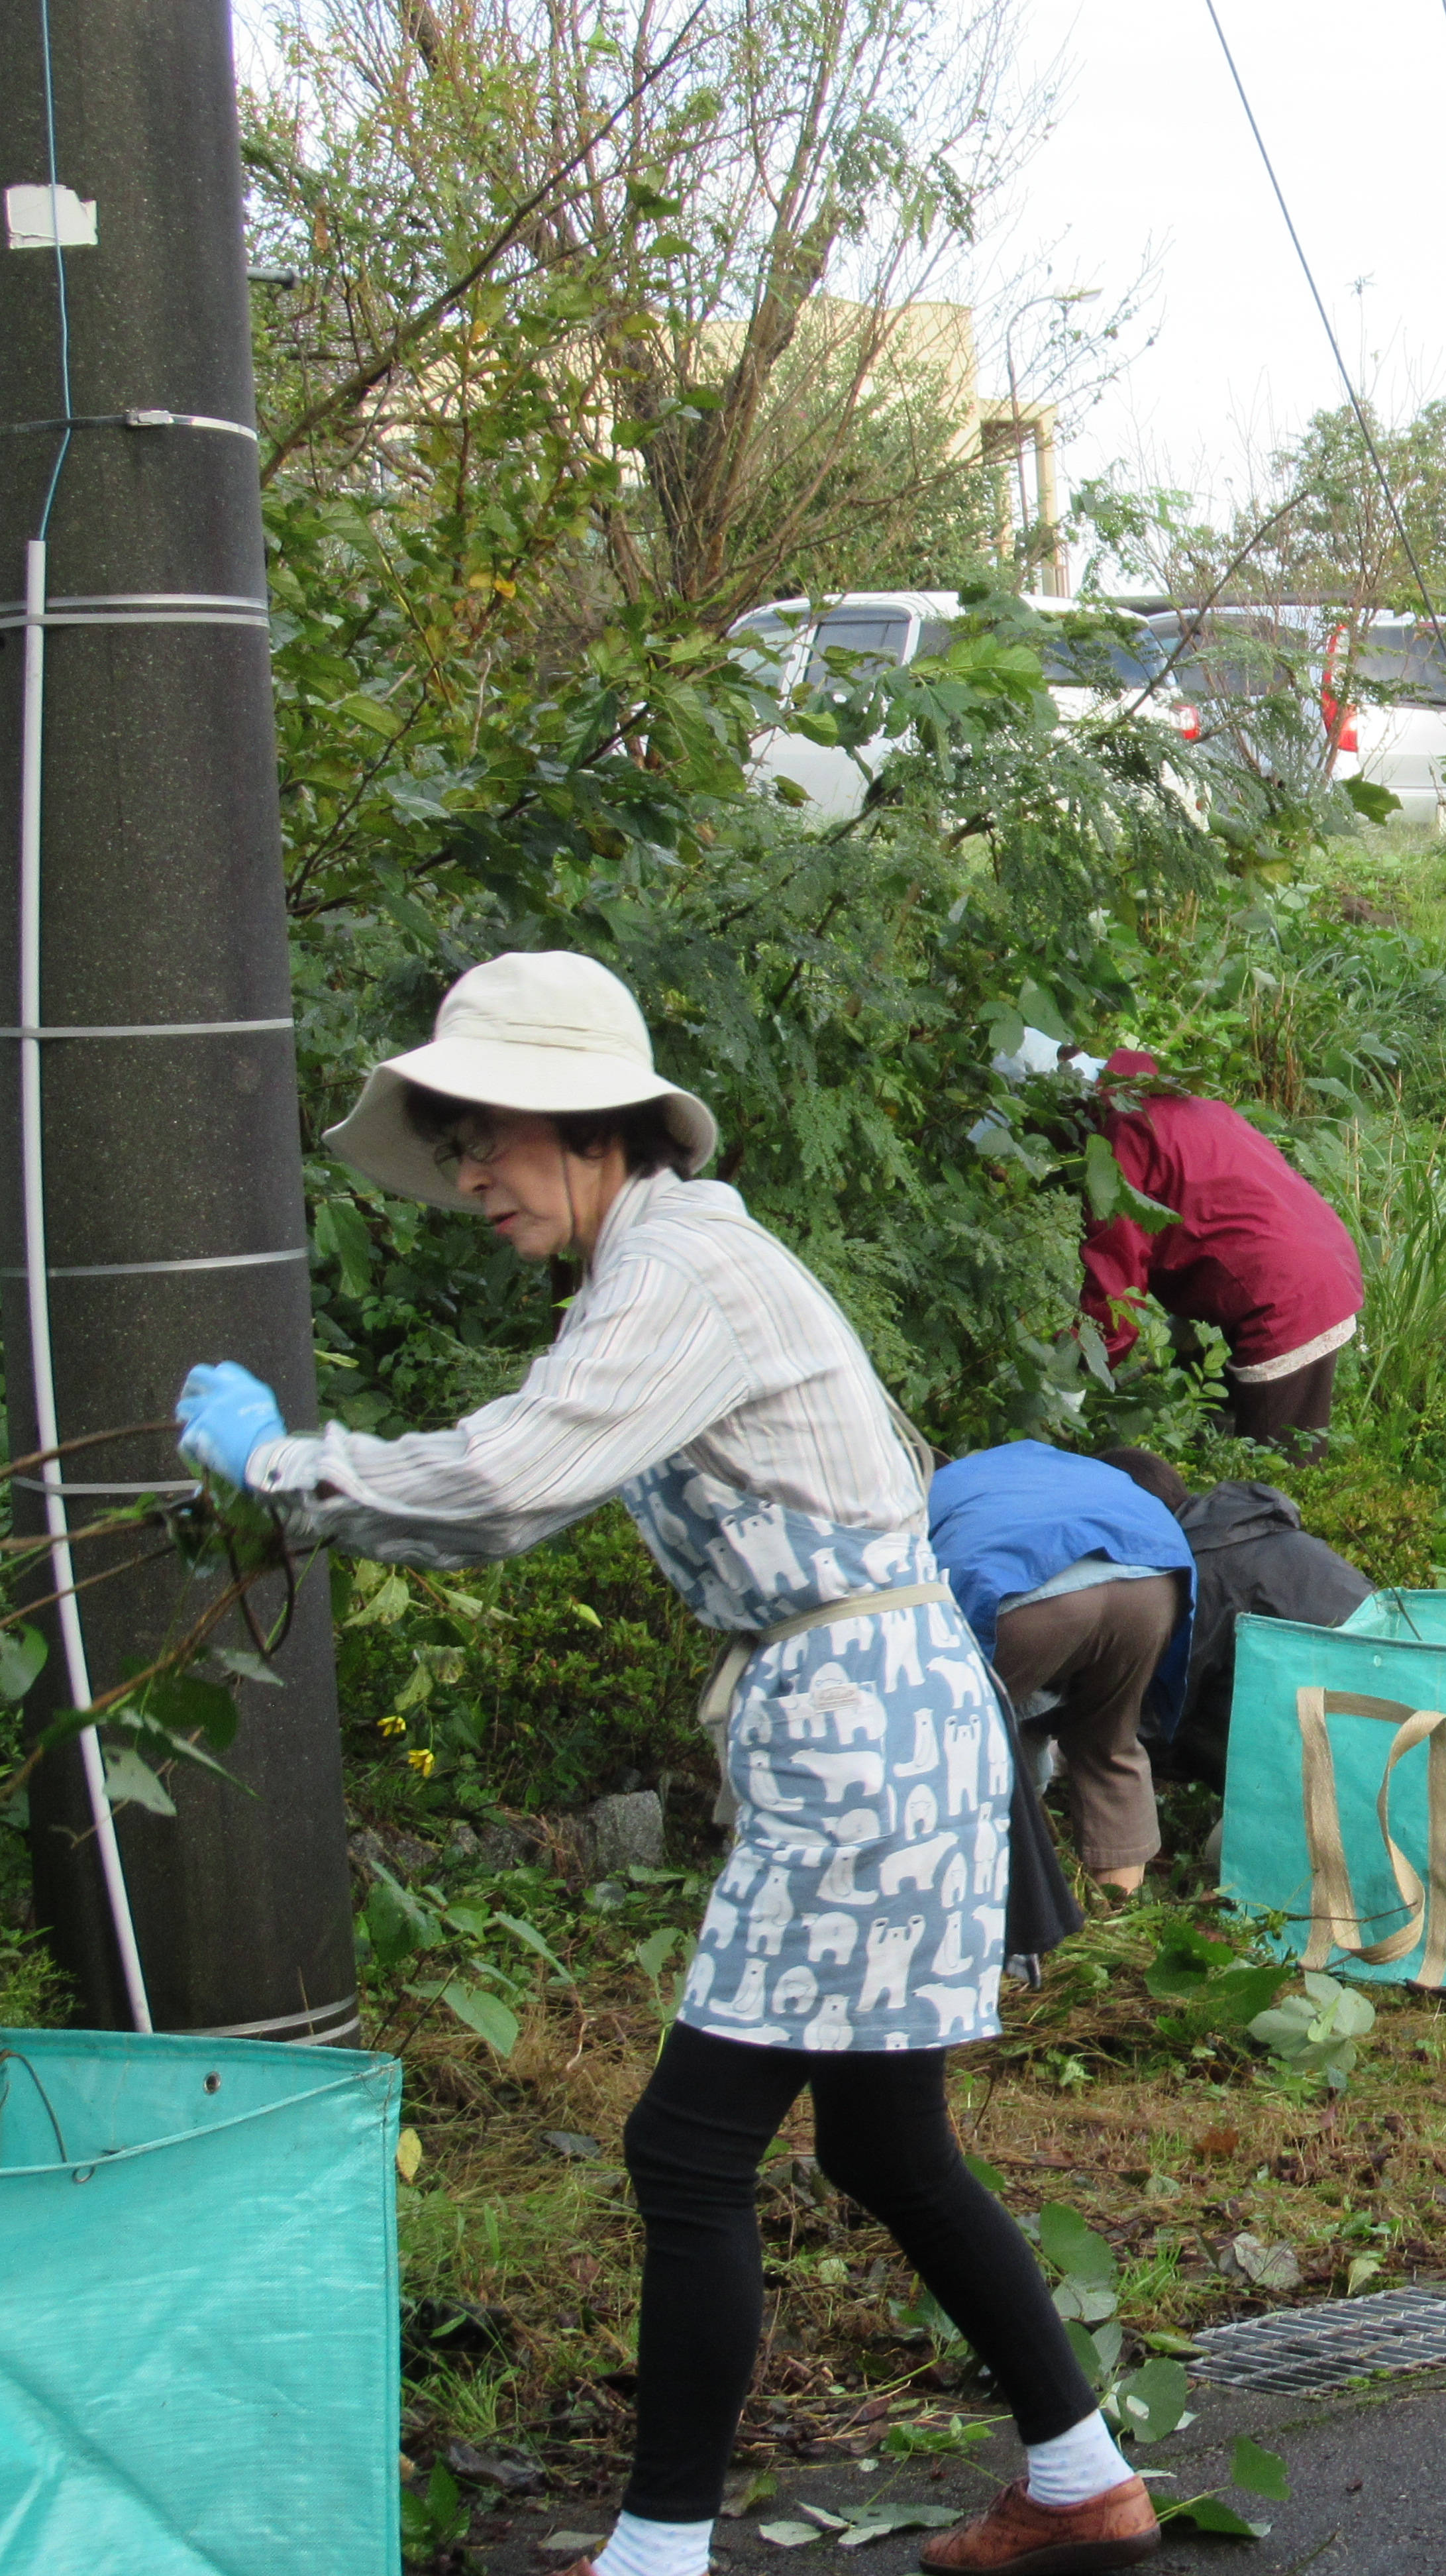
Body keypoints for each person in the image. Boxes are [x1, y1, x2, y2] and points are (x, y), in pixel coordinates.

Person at [170, 953, 1155, 2576]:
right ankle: (1081, 2475)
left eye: (487, 1136)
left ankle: (655, 2552)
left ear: (592, 1126)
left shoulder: (679, 1271)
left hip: (863, 1727)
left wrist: (284, 1464)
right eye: (456, 1144)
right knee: (884, 2145)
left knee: (686, 2145)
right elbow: (528, 1472)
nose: (471, 1177)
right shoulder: (662, 1257)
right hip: (871, 1710)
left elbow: (507, 1481)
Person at [928, 1440, 1196, 1892]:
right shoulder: (1038, 1466)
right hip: (1154, 1579)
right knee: (1109, 1746)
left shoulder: (925, 1496)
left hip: (1028, 1593)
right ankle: (1121, 1915)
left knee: (950, 1741)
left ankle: (983, 1900)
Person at [1079, 1048, 1363, 1453]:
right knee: (1215, 1443)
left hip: (1284, 1295)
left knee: (1272, 1482)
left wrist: (1073, 1374)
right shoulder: (1182, 1103)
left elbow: (1115, 1273)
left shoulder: (1121, 1133)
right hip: (1310, 1262)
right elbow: (1213, 1211)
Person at [1102, 1448, 1374, 1794]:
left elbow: (1154, 1724)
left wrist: (1070, 1733)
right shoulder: (1268, 1534)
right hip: (1378, 1750)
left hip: (1324, 1783)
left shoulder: (1194, 1572)